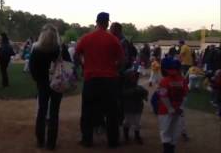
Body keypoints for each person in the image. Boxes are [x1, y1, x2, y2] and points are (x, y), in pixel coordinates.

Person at [75, 12, 124, 148]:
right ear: (107, 23)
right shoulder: (113, 39)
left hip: (91, 79)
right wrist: (114, 67)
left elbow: (77, 54)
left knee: (87, 111)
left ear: (96, 22)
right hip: (109, 80)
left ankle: (87, 140)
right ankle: (113, 141)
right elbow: (121, 60)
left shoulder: (86, 38)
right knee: (111, 112)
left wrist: (84, 65)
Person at [29, 24, 63, 150]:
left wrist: (38, 80)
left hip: (42, 84)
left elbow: (32, 69)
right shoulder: (60, 49)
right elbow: (68, 65)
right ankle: (51, 143)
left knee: (42, 111)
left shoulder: (36, 50)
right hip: (57, 84)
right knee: (54, 113)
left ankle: (40, 140)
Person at [157, 59, 188, 153]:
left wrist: (170, 108)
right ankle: (171, 150)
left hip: (165, 110)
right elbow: (185, 95)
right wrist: (181, 107)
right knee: (175, 131)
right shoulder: (182, 80)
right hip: (177, 110)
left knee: (165, 131)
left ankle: (167, 151)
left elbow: (163, 96)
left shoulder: (164, 80)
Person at [122, 69, 148, 145]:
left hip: (137, 108)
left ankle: (137, 136)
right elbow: (123, 94)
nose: (134, 78)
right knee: (127, 121)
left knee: (137, 123)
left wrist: (144, 95)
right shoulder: (124, 87)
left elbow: (145, 92)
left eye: (134, 77)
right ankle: (126, 136)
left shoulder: (138, 87)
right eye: (132, 77)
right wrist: (135, 91)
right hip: (128, 108)